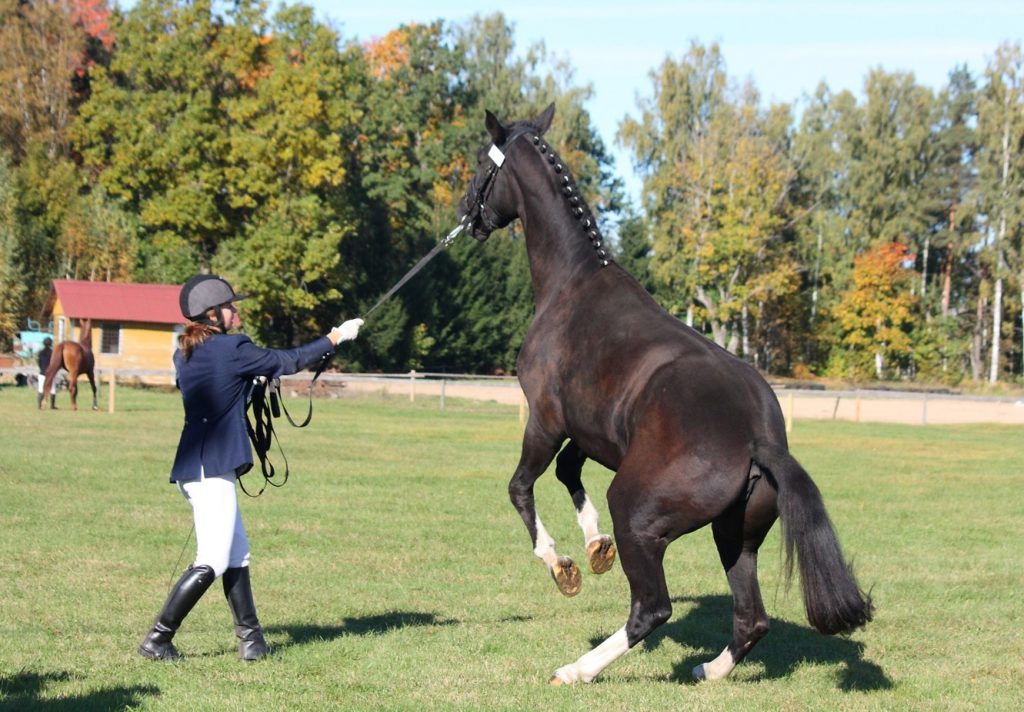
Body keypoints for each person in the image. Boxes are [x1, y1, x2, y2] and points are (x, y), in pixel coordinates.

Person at [138, 274, 363, 662]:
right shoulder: (232, 348)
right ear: (213, 314)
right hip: (213, 470)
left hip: (197, 467)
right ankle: (158, 639)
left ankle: (252, 641)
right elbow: (287, 360)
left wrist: (249, 384)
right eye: (230, 306)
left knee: (237, 554)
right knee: (212, 559)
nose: (236, 310)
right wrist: (335, 338)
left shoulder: (186, 352)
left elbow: (221, 386)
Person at [36, 337, 57, 409]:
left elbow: (39, 363)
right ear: (51, 343)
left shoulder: (40, 353)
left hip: (42, 373)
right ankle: (52, 405)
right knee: (53, 389)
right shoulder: (53, 353)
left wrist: (42, 369)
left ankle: (39, 405)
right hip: (50, 374)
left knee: (41, 389)